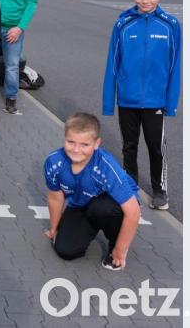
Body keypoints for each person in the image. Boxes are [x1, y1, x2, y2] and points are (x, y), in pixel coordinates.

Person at [102, 0, 182, 211]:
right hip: (127, 99)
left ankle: (160, 190)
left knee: (156, 147)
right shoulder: (123, 23)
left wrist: (171, 102)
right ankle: (130, 187)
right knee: (129, 145)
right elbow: (112, 64)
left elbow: (175, 66)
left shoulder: (170, 25)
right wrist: (109, 102)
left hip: (156, 100)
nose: (145, 1)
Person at [44, 113, 141, 271]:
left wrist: (120, 250)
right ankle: (90, 226)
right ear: (65, 138)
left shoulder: (105, 167)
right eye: (71, 142)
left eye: (84, 145)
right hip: (82, 204)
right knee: (65, 250)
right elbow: (55, 197)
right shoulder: (54, 162)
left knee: (102, 209)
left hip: (111, 205)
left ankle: (114, 244)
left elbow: (133, 213)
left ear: (96, 144)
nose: (76, 149)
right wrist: (54, 228)